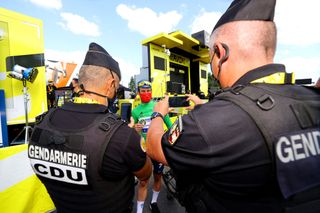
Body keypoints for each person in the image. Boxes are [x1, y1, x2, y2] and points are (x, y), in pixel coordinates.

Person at [146, 0, 320, 212]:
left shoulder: (211, 120)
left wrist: (157, 114)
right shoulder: (311, 98)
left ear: (220, 53)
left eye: (211, 59)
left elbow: (156, 147)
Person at [28, 42, 152, 213]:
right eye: (116, 87)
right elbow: (145, 174)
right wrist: (130, 139)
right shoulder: (121, 135)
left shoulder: (42, 123)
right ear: (110, 84)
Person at [131, 80, 172, 213]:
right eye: (143, 91)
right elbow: (134, 133)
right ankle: (139, 210)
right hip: (144, 150)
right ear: (139, 93)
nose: (146, 93)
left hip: (158, 149)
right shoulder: (135, 111)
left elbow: (170, 126)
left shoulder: (158, 106)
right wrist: (136, 130)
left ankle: (153, 202)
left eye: (148, 91)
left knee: (158, 177)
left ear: (151, 91)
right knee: (143, 182)